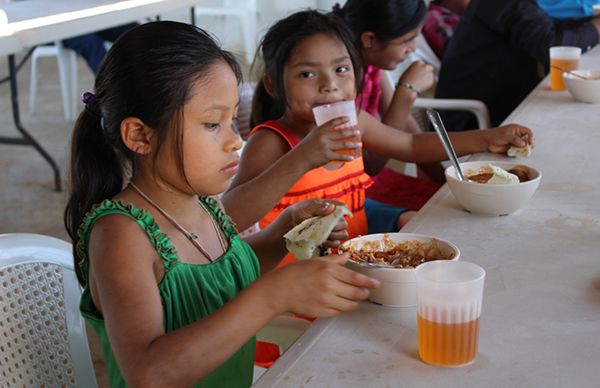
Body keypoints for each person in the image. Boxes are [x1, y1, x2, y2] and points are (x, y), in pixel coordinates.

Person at [63, 21, 379, 387]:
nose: (235, 140)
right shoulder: (121, 234)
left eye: (232, 120)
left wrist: (285, 232)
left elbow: (220, 280)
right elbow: (148, 372)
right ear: (139, 135)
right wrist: (273, 296)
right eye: (213, 124)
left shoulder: (202, 205)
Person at [221, 10, 535, 266]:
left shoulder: (355, 121)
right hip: (298, 291)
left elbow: (411, 145)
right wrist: (301, 157)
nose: (330, 85)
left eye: (341, 69)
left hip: (357, 267)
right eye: (307, 74)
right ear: (274, 86)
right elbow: (230, 216)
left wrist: (487, 138)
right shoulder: (271, 141)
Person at [332, 0, 439, 234]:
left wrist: (445, 180)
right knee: (434, 222)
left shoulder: (370, 63)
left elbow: (407, 130)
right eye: (407, 40)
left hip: (369, 183)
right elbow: (371, 165)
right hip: (349, 191)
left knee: (445, 204)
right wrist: (407, 91)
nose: (413, 48)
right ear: (369, 39)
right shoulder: (340, 78)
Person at [435, 0, 600, 131]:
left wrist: (592, 24)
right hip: (474, 122)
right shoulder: (507, 3)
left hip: (503, 105)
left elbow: (549, 30)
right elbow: (551, 47)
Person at [63, 23, 138, 73]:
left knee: (134, 30)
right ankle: (113, 89)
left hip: (90, 18)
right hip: (62, 25)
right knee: (91, 43)